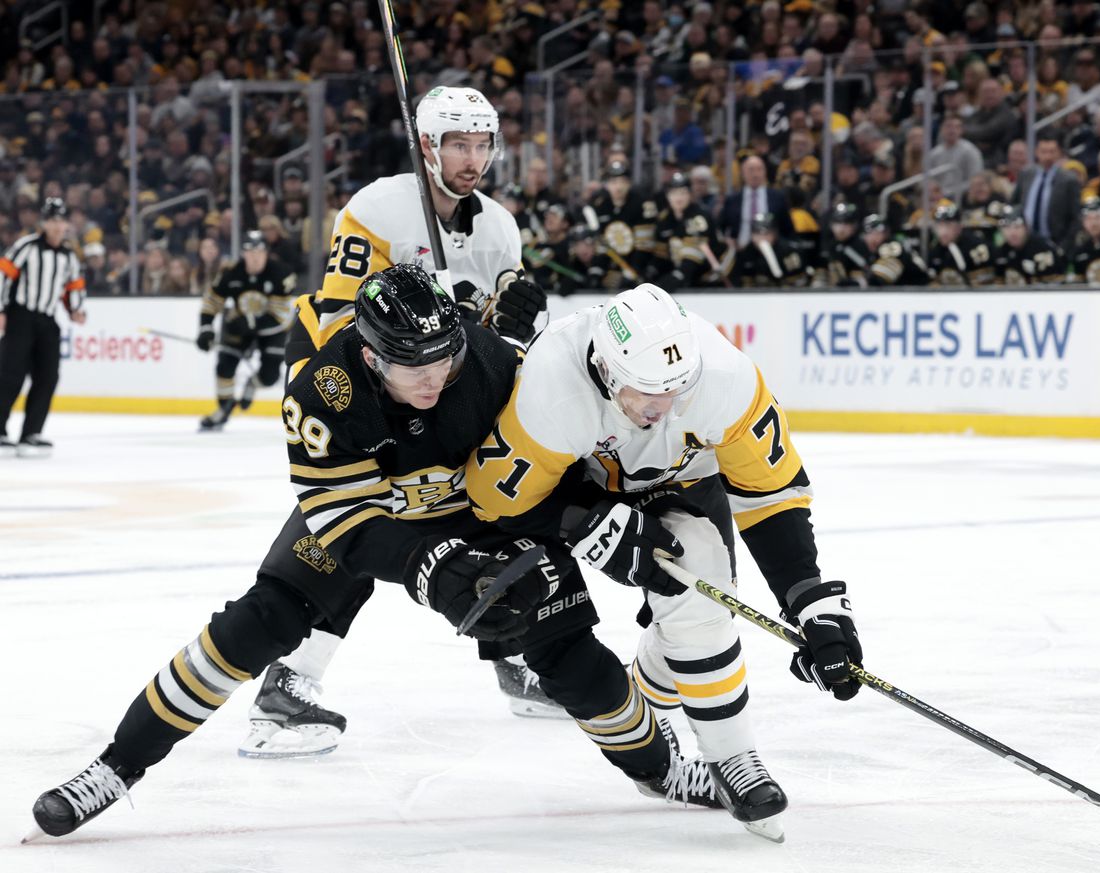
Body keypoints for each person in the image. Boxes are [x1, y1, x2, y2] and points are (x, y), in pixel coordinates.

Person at [27, 266, 721, 841]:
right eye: (411, 365)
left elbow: (550, 463)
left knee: (571, 655)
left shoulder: (486, 360)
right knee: (255, 624)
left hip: (486, 509)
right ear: (367, 354)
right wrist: (433, 569)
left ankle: (663, 769)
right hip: (374, 518)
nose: (434, 377)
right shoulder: (322, 395)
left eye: (444, 357)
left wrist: (596, 519)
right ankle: (115, 766)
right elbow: (345, 523)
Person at [465, 284, 865, 842]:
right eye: (648, 394)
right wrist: (583, 521)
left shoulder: (725, 377)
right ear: (605, 373)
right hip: (577, 488)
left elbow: (771, 493)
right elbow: (494, 500)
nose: (666, 409)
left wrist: (808, 599)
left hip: (681, 481)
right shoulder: (553, 385)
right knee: (691, 602)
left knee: (698, 601)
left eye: (679, 391)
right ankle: (736, 759)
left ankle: (664, 694)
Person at [258, 84, 557, 753]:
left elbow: (493, 339)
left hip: (433, 385)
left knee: (492, 500)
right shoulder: (378, 208)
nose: (471, 157)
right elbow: (341, 320)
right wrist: (443, 302)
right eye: (457, 143)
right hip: (349, 382)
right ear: (427, 144)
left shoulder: (501, 226)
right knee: (366, 517)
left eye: (481, 143)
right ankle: (290, 678)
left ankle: (515, 653)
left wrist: (508, 318)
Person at [0, 197, 87, 457]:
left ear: (67, 224)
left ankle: (31, 433)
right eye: (52, 220)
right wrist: (2, 309)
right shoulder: (26, 247)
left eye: (61, 220)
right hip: (21, 317)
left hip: (48, 320)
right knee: (10, 375)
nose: (57, 226)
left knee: (48, 376)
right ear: (44, 222)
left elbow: (73, 287)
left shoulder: (69, 256)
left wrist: (76, 310)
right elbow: (5, 275)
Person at [194, 230, 297, 430]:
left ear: (266, 252)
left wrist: (250, 326)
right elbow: (211, 302)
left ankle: (251, 384)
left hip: (272, 329)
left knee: (269, 377)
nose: (255, 256)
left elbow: (282, 318)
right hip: (240, 324)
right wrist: (205, 329)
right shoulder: (231, 272)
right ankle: (224, 409)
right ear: (243, 253)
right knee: (224, 365)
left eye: (260, 251)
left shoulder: (281, 273)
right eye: (250, 251)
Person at [587, 160, 659, 287]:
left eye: (622, 182)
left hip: (641, 266)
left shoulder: (642, 204)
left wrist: (632, 272)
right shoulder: (600, 205)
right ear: (607, 185)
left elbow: (644, 245)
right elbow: (602, 245)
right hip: (615, 266)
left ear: (629, 184)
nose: (618, 187)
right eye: (613, 182)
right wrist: (597, 271)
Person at [1011, 131, 1083, 251]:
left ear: (1059, 153)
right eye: (1043, 152)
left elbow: (1075, 218)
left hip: (1054, 241)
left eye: (1052, 152)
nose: (1047, 157)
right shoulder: (1026, 174)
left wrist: (1064, 246)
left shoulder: (1069, 180)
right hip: (1025, 241)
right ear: (1036, 152)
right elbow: (1015, 203)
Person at [650, 171, 719, 291]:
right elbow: (661, 256)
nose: (679, 198)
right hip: (683, 276)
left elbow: (693, 256)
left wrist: (678, 275)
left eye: (683, 193)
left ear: (690, 195)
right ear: (667, 196)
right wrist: (651, 271)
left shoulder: (699, 217)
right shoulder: (664, 220)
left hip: (708, 279)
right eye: (674, 193)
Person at [725, 212, 810, 287]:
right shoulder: (746, 253)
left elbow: (798, 282)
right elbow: (741, 283)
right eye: (757, 233)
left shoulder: (789, 251)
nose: (761, 238)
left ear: (775, 233)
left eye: (766, 234)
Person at [992, 206, 1067, 285]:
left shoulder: (1043, 250)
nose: (1012, 233)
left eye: (1017, 227)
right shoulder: (1002, 252)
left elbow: (1053, 290)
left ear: (1026, 227)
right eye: (1007, 227)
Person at [927, 203, 996, 287]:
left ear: (960, 226)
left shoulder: (976, 247)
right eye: (939, 226)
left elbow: (984, 286)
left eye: (948, 226)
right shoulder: (935, 250)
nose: (943, 232)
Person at [861, 213, 932, 287]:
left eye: (877, 234)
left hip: (919, 291)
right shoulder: (875, 251)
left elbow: (879, 281)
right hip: (909, 291)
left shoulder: (892, 246)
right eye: (869, 234)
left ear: (886, 234)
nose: (872, 238)